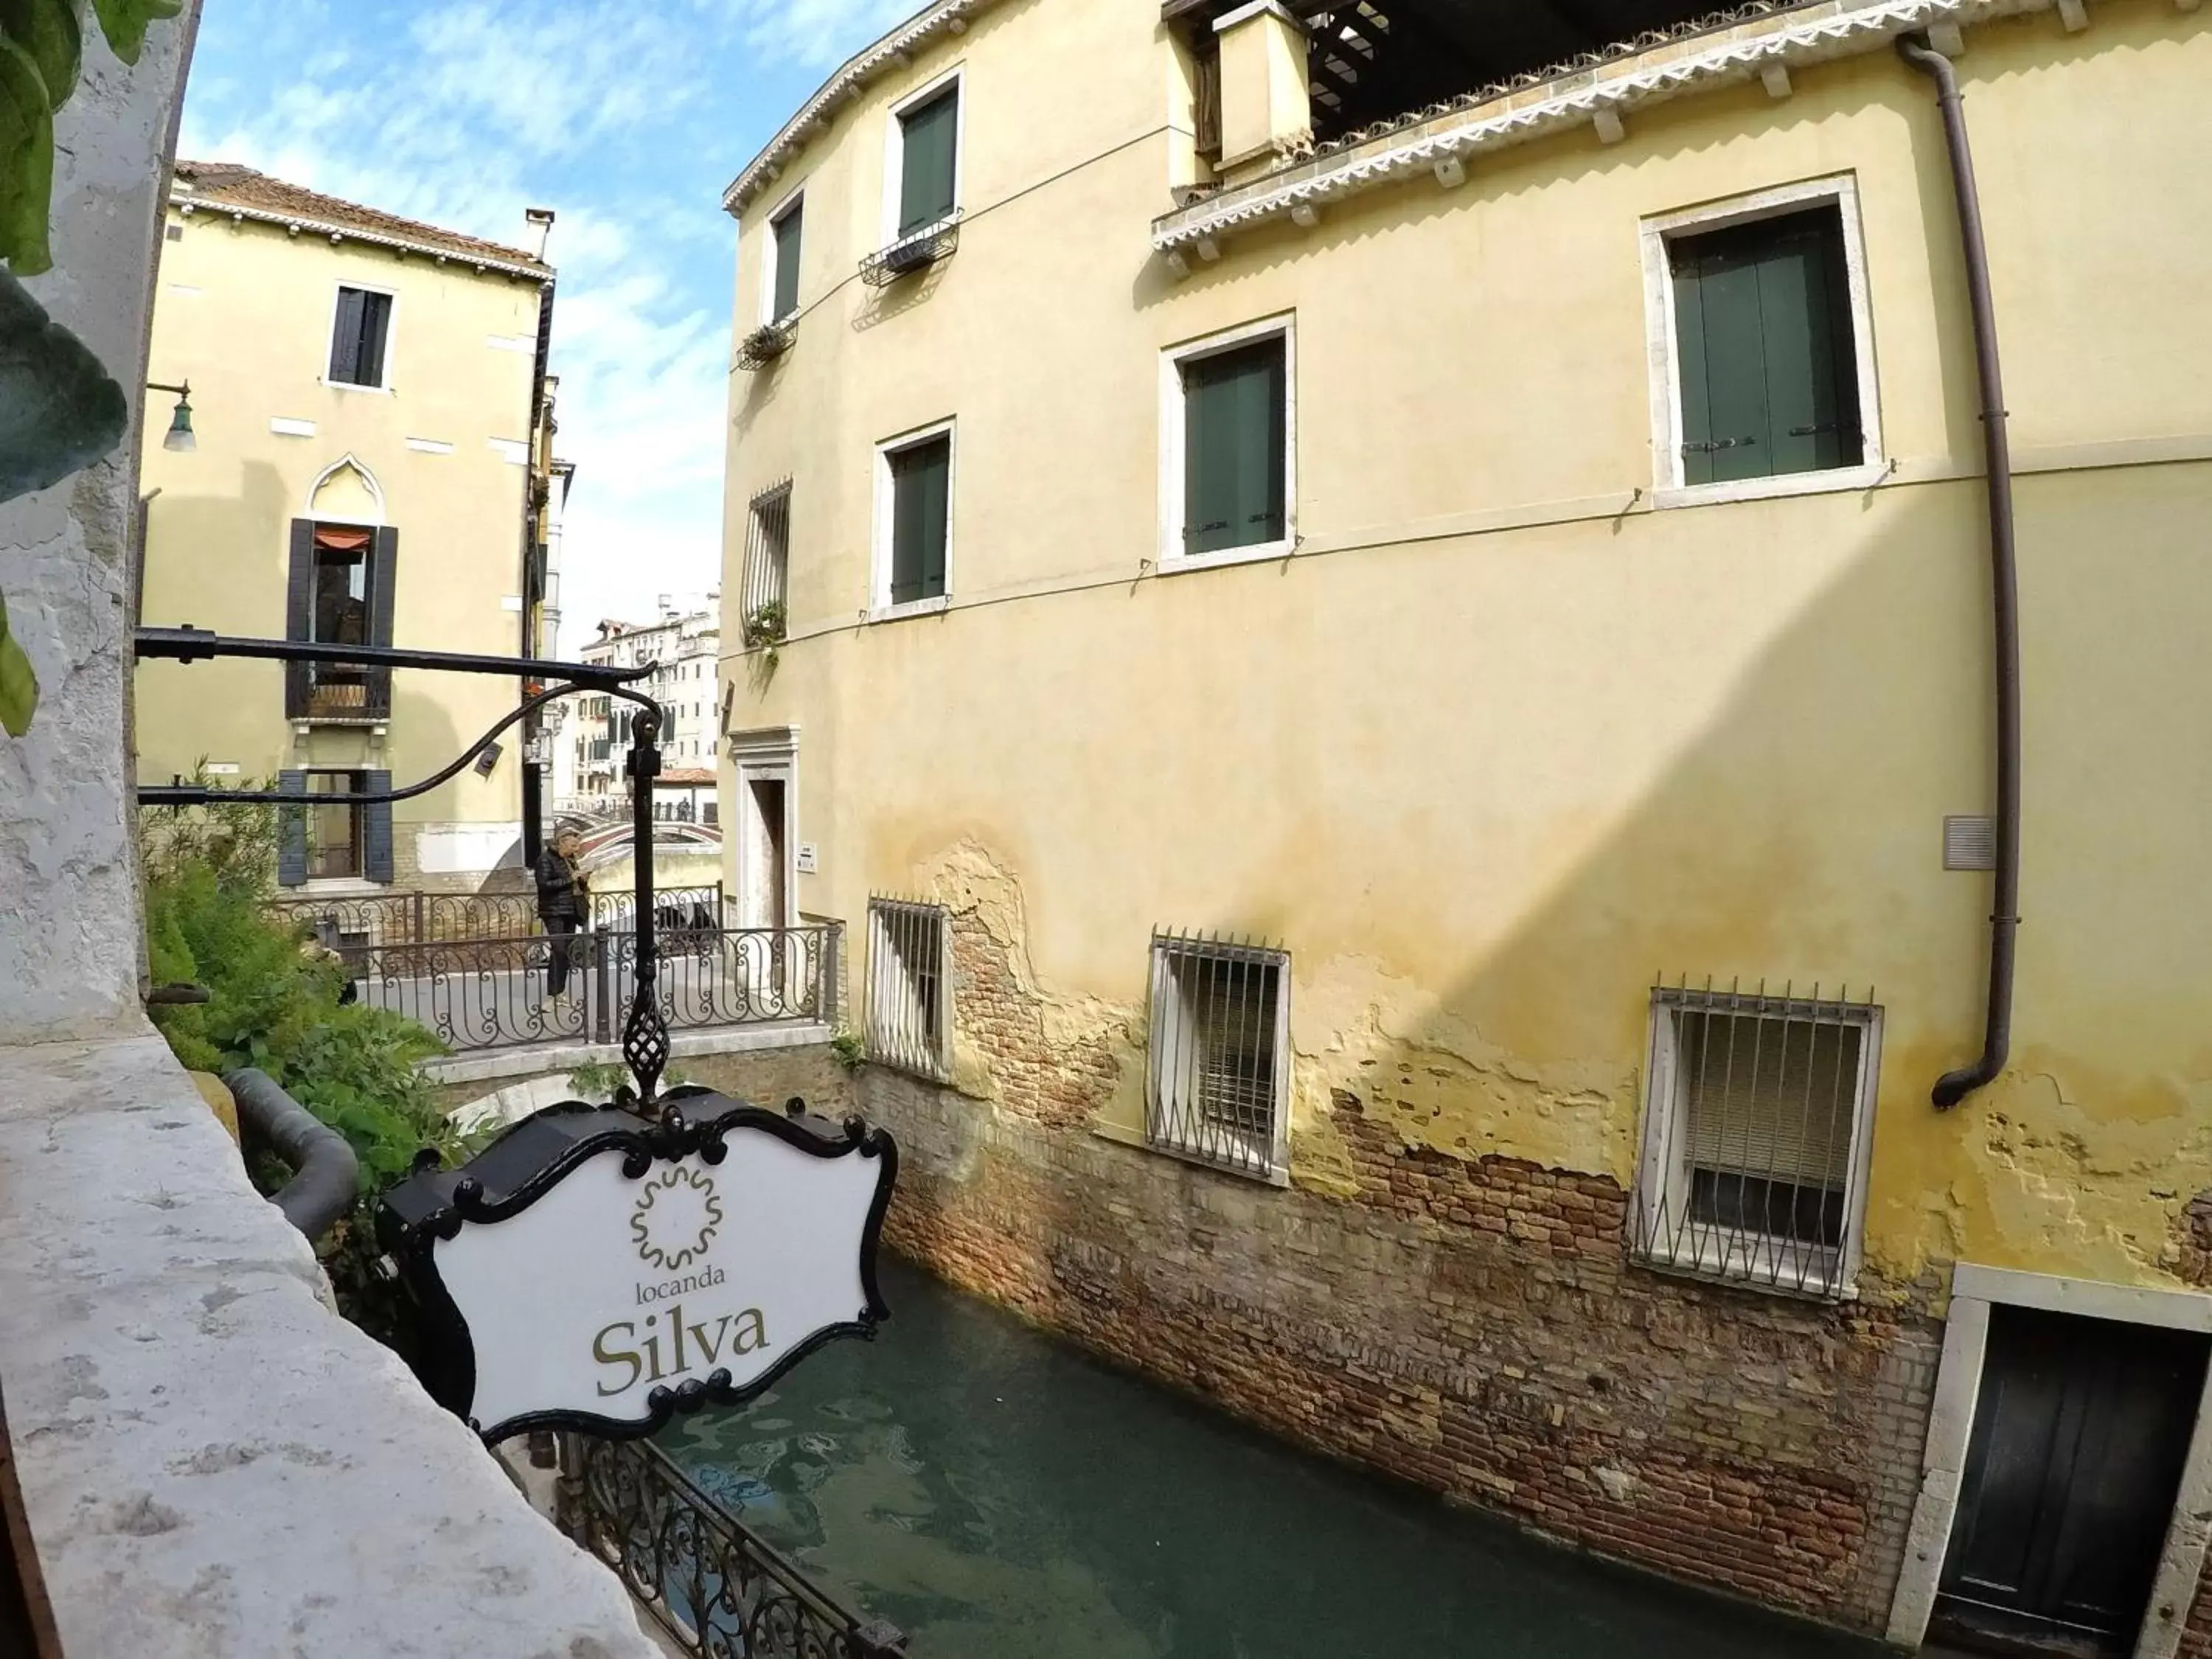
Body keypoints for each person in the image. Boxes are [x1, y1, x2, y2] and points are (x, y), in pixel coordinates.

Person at [535, 828, 591, 1004]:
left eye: (578, 845)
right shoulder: (545, 859)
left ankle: (559, 993)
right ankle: (553, 994)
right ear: (561, 842)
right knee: (558, 950)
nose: (577, 849)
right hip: (553, 911)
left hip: (570, 910)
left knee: (564, 952)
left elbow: (575, 884)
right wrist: (570, 879)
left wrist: (584, 878)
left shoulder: (571, 860)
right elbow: (544, 885)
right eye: (573, 845)